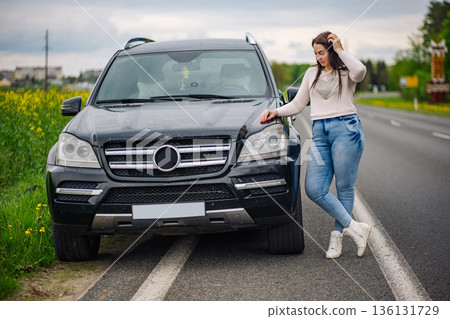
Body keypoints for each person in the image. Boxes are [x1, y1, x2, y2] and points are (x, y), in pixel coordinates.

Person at [260, 31, 372, 258]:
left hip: (346, 130)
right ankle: (356, 227)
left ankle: (337, 238)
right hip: (320, 133)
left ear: (331, 51)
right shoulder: (311, 74)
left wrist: (340, 49)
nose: (319, 57)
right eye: (315, 53)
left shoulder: (346, 72)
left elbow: (361, 71)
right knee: (314, 189)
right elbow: (298, 104)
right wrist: (276, 112)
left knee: (344, 188)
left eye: (322, 52)